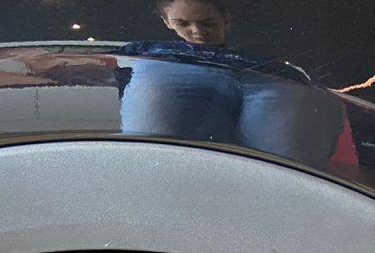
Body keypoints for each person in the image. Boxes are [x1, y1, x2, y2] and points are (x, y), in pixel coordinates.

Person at [118, 0, 345, 166]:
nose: (196, 31)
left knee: (286, 163)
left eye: (208, 24)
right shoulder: (145, 53)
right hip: (262, 76)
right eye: (182, 23)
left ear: (226, 20)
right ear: (167, 21)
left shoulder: (146, 54)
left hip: (263, 76)